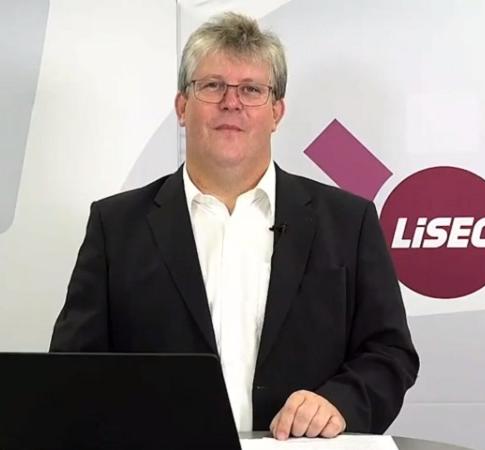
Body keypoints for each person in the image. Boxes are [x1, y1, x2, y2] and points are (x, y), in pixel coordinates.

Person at [50, 12, 419, 440]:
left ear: (277, 112)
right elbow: (73, 369)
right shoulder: (115, 227)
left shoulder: (349, 222)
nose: (232, 103)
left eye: (251, 89)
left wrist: (340, 403)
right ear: (182, 107)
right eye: (212, 86)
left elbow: (389, 353)